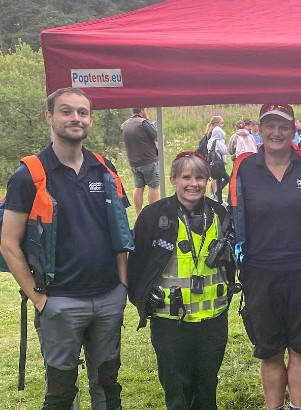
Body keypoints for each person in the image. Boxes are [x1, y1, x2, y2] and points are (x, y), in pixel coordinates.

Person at [0, 87, 133, 409]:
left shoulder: (105, 168)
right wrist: (39, 298)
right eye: (67, 111)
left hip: (107, 298)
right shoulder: (29, 175)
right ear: (49, 116)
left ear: (90, 119)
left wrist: (122, 286)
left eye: (82, 112)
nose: (76, 118)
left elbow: (120, 232)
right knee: (60, 391)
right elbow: (8, 242)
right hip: (59, 300)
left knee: (107, 384)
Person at [230, 103, 301, 410]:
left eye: (283, 126)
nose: (276, 132)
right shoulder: (244, 168)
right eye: (270, 125)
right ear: (259, 128)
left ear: (294, 129)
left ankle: (297, 406)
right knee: (270, 349)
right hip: (260, 270)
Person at [127, 151, 236, 409]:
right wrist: (142, 301)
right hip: (170, 322)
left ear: (208, 180)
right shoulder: (153, 216)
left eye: (199, 177)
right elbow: (136, 268)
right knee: (177, 389)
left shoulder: (220, 214)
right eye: (186, 177)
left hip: (213, 319)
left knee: (207, 386)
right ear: (173, 179)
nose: (193, 183)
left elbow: (233, 261)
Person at [121, 107, 160, 212]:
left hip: (133, 162)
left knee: (138, 187)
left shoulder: (124, 125)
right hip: (148, 161)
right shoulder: (143, 123)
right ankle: (153, 213)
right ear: (142, 110)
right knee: (154, 187)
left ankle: (139, 214)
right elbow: (157, 136)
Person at [205, 116, 228, 203]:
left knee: (218, 181)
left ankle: (219, 199)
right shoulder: (218, 141)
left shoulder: (210, 140)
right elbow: (224, 151)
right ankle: (217, 195)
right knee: (226, 179)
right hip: (219, 164)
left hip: (213, 164)